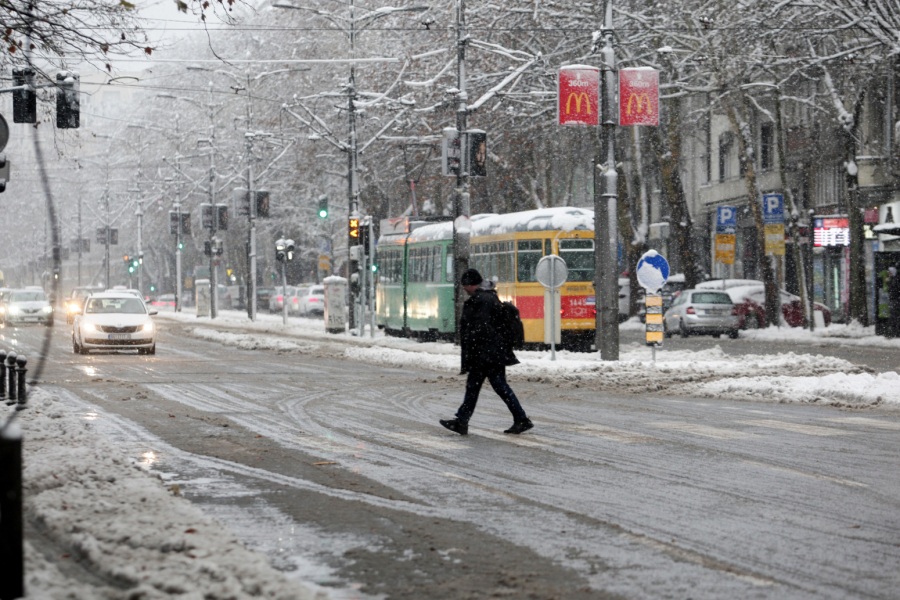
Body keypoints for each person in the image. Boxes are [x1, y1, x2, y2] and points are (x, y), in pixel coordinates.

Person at [440, 269, 533, 435]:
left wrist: (477, 349)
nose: (464, 289)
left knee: (492, 387)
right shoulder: (487, 296)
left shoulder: (482, 299)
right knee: (480, 387)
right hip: (490, 352)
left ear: (471, 284)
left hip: (486, 354)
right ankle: (462, 421)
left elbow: (481, 328)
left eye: (465, 285)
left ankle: (521, 419)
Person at [889, 266, 900, 337]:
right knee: (894, 316)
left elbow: (894, 290)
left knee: (894, 316)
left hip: (895, 300)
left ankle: (895, 332)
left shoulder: (895, 279)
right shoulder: (894, 279)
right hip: (895, 300)